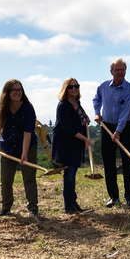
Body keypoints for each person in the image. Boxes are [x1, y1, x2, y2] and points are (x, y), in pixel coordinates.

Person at [0, 79, 40, 217]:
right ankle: (6, 207)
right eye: (14, 90)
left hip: (27, 147)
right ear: (7, 92)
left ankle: (33, 208)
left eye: (20, 90)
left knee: (29, 179)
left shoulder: (28, 108)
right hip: (7, 148)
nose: (17, 92)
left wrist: (24, 153)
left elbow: (28, 132)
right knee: (6, 181)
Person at [93, 58, 130, 209]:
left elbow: (125, 113)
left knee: (127, 163)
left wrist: (118, 131)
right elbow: (96, 99)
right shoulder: (103, 86)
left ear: (125, 71)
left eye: (122, 70)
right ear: (111, 72)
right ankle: (114, 197)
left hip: (124, 129)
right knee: (109, 163)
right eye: (117, 70)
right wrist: (97, 113)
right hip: (106, 127)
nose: (120, 73)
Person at [52, 78, 93, 215]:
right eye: (71, 87)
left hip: (76, 144)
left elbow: (81, 117)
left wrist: (86, 119)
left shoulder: (77, 103)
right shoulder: (63, 105)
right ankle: (69, 206)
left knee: (72, 174)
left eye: (77, 86)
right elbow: (67, 128)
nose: (74, 89)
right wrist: (85, 139)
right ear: (66, 89)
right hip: (66, 145)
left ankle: (73, 203)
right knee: (69, 175)